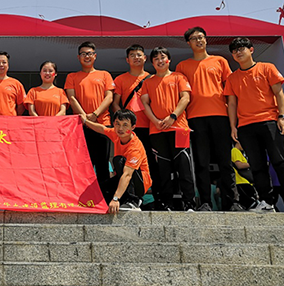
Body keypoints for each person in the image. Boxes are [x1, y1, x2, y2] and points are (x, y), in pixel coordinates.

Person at [224, 37, 284, 214]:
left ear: (251, 50)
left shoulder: (267, 68)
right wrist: (233, 126)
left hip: (269, 121)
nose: (238, 52)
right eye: (234, 50)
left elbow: (279, 93)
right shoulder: (232, 78)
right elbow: (232, 104)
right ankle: (266, 202)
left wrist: (282, 117)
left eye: (241, 48)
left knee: (280, 161)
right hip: (245, 126)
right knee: (257, 166)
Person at [176, 27, 241, 212]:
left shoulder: (219, 61)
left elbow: (231, 91)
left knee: (225, 161)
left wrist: (234, 121)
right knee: (201, 162)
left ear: (206, 40)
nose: (198, 41)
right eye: (194, 38)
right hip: (195, 118)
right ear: (188, 43)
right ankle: (205, 202)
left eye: (201, 37)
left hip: (220, 116)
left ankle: (232, 202)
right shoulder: (182, 66)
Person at [140, 47, 194, 211]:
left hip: (179, 129)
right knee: (163, 170)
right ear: (152, 63)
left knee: (184, 167)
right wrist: (155, 121)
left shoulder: (179, 77)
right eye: (156, 58)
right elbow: (145, 104)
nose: (160, 61)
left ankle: (189, 204)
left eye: (162, 57)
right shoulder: (148, 82)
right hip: (157, 131)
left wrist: (172, 117)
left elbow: (185, 98)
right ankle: (166, 204)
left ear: (168, 60)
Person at [84, 109, 152, 213]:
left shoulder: (135, 148)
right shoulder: (116, 134)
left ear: (133, 127)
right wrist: (85, 121)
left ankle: (134, 201)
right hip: (123, 178)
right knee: (100, 190)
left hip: (139, 183)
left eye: (125, 125)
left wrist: (115, 198)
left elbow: (127, 175)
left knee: (119, 160)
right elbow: (102, 128)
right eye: (117, 124)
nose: (120, 128)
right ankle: (123, 200)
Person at [65, 42, 115, 183]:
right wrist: (85, 118)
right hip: (81, 126)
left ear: (95, 56)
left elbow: (109, 97)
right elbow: (72, 98)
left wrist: (95, 114)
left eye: (89, 53)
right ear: (78, 57)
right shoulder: (72, 76)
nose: (87, 56)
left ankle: (103, 194)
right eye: (83, 54)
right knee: (82, 164)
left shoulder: (104, 74)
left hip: (102, 124)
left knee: (102, 163)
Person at [111, 44, 158, 193]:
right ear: (127, 60)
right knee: (126, 163)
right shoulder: (120, 79)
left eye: (139, 55)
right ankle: (130, 195)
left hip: (150, 127)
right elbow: (115, 103)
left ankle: (155, 196)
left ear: (145, 58)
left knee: (150, 162)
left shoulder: (153, 78)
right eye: (132, 55)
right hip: (129, 130)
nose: (136, 58)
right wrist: (122, 121)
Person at [232, 142, 259, 210]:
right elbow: (239, 165)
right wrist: (252, 164)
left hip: (246, 181)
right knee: (252, 203)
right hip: (241, 181)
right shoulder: (235, 150)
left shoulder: (241, 153)